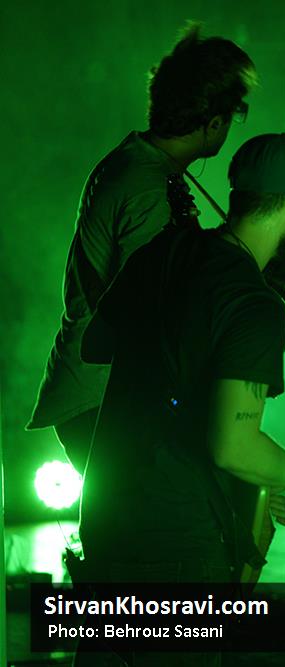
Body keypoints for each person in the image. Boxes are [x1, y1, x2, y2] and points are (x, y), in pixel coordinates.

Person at [71, 133, 285, 665]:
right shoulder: (252, 303)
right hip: (179, 544)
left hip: (105, 522)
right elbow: (233, 447)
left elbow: (96, 343)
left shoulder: (163, 252)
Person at [27, 23, 257, 473]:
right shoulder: (148, 187)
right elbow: (155, 303)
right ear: (214, 122)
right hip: (107, 396)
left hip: (102, 392)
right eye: (232, 117)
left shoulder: (141, 165)